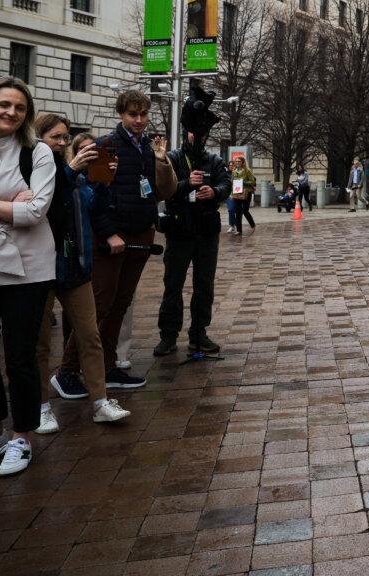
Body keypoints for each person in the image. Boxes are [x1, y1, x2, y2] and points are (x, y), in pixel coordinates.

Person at [68, 89, 174, 391]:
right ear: (121, 114)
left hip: (140, 233)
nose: (139, 120)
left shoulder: (147, 147)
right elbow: (94, 197)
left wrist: (160, 160)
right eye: (132, 114)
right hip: (112, 237)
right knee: (100, 304)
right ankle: (67, 370)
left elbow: (157, 191)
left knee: (121, 304)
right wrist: (108, 232)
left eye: (143, 114)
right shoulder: (106, 146)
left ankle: (109, 366)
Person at [31, 114, 130, 433]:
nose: (61, 143)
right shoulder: (36, 169)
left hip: (75, 265)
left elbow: (91, 205)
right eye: (55, 137)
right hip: (42, 265)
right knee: (40, 342)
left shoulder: (77, 176)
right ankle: (41, 407)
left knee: (90, 335)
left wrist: (103, 183)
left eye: (64, 137)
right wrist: (72, 170)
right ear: (38, 137)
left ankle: (101, 402)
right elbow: (46, 203)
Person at [0, 77, 57, 476]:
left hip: (27, 270)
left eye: (19, 107)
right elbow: (17, 210)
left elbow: (34, 213)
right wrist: (4, 204)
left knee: (20, 356)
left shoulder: (38, 152)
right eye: (3, 105)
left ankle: (23, 437)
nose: (10, 112)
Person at [154, 130, 232, 356]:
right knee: (173, 284)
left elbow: (226, 184)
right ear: (186, 132)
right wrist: (187, 183)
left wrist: (214, 191)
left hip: (207, 231)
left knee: (204, 285)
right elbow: (165, 190)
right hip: (179, 230)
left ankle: (199, 333)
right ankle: (168, 336)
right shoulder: (174, 158)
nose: (197, 136)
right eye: (193, 131)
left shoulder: (214, 160)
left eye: (202, 132)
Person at [230, 156, 256, 235]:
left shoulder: (247, 171)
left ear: (243, 162)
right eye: (236, 161)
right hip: (237, 193)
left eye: (239, 161)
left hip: (246, 193)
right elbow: (232, 183)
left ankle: (252, 224)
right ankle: (239, 230)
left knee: (245, 211)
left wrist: (243, 182)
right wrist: (231, 194)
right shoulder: (234, 171)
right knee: (237, 212)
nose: (237, 163)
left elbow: (252, 182)